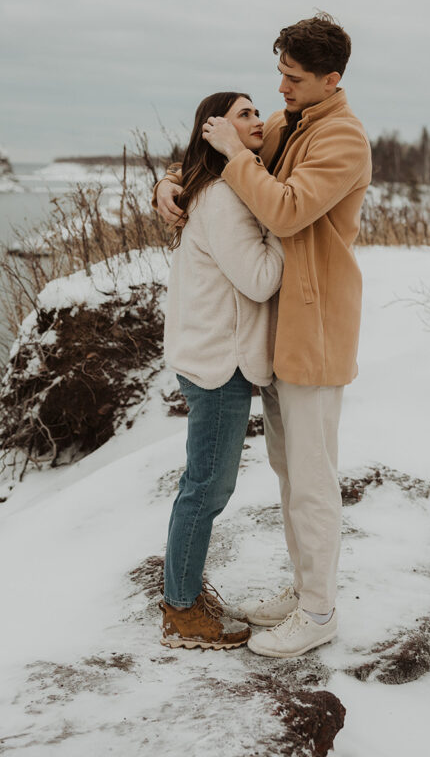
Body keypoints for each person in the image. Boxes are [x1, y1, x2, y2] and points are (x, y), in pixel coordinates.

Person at [156, 13, 372, 658]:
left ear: (330, 80)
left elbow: (281, 207)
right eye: (279, 73)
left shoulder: (343, 140)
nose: (279, 88)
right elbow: (223, 151)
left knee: (311, 477)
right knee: (287, 473)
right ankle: (303, 592)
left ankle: (320, 610)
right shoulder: (291, 119)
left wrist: (225, 161)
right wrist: (169, 181)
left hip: (315, 330)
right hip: (278, 337)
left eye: (293, 77)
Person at [160, 91, 284, 651]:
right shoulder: (226, 201)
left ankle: (182, 592)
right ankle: (181, 610)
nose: (256, 120)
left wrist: (165, 180)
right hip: (218, 363)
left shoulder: (213, 188)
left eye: (258, 112)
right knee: (207, 487)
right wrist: (288, 232)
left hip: (210, 354)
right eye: (243, 114)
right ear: (215, 131)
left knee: (204, 483)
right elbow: (259, 280)